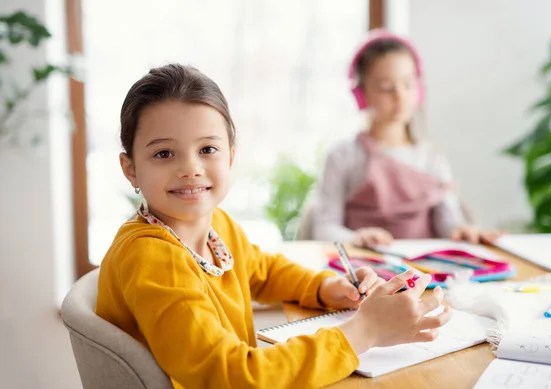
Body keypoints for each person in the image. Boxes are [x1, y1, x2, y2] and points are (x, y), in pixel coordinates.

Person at [95, 63, 451, 389]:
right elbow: (232, 375)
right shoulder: (152, 257)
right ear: (131, 169)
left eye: (207, 149)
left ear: (231, 156)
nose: (191, 168)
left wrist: (325, 288)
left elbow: (260, 271)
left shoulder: (215, 224)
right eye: (163, 154)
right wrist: (366, 329)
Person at [312, 29, 499, 248]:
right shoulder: (342, 156)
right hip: (364, 272)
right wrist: (355, 238)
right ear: (361, 94)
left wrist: (462, 231)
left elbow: (448, 223)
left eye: (408, 85)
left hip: (422, 274)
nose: (399, 95)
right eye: (386, 87)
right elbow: (324, 228)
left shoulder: (430, 158)